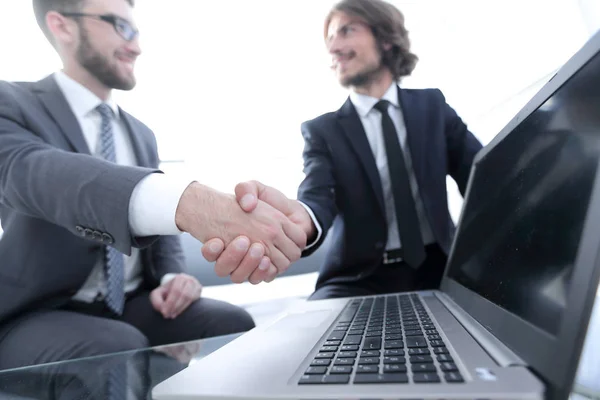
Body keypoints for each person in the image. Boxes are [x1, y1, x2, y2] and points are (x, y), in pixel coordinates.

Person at [0, 0, 308, 373]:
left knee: (230, 321)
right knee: (118, 345)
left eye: (136, 31)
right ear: (62, 26)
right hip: (38, 311)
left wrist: (174, 276)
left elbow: (158, 231)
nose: (136, 46)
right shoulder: (11, 103)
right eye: (119, 26)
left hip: (132, 301)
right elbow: (36, 173)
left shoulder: (141, 134)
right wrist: (190, 202)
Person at [203, 0, 483, 300]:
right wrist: (302, 219)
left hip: (441, 267)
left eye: (345, 31)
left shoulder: (432, 107)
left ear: (386, 38)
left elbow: (483, 175)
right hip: (358, 277)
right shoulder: (323, 131)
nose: (333, 47)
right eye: (330, 39)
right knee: (313, 336)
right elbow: (317, 196)